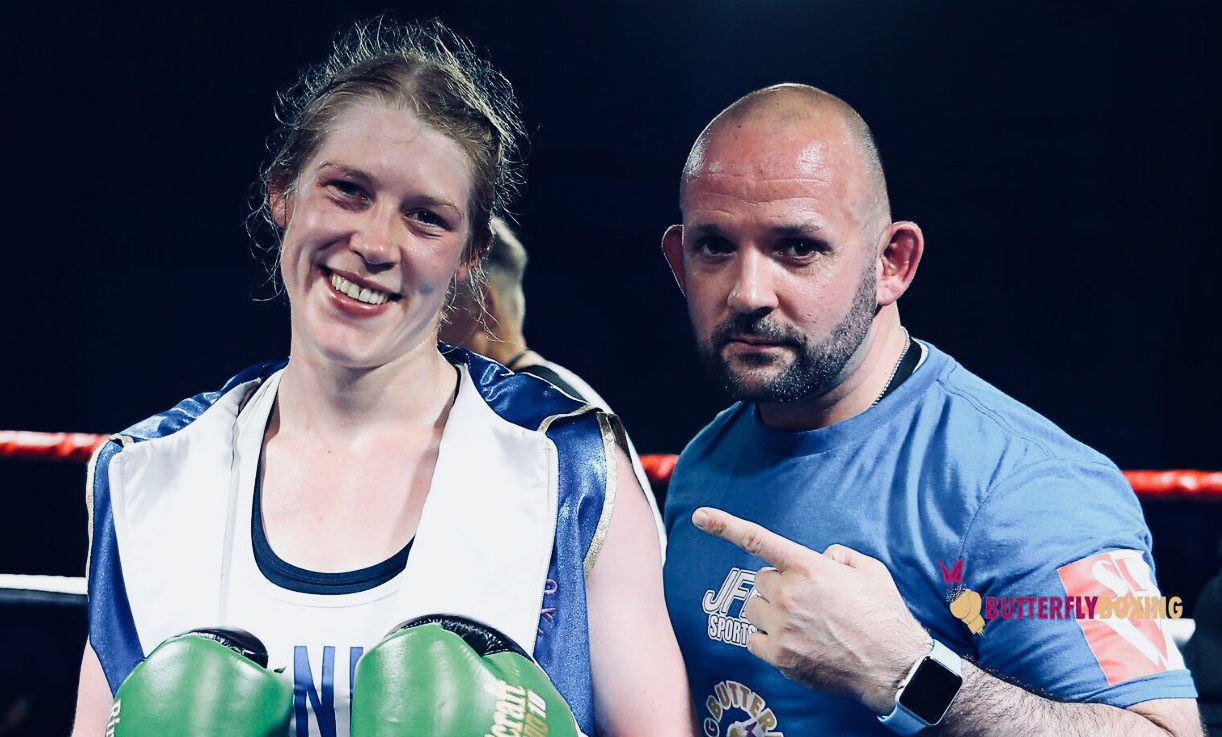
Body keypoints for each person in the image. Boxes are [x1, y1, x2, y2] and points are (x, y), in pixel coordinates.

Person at [71, 18, 693, 737]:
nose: (373, 243)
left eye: (425, 217)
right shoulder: (149, 476)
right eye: (347, 190)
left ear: (469, 255)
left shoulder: (565, 466)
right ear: (284, 195)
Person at [659, 83, 1202, 736]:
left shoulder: (1031, 484)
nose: (748, 293)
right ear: (679, 262)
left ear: (893, 263)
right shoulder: (704, 460)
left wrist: (906, 673)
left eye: (798, 247)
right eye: (715, 246)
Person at [439, 217, 664, 540]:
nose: (427, 324)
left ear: (484, 308)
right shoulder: (542, 394)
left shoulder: (544, 411)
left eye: (439, 303)